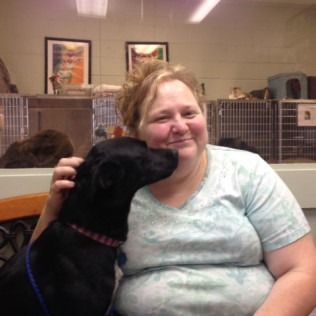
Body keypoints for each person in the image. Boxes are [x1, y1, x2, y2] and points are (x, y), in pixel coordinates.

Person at [32, 60, 316, 316]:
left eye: (189, 113)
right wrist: (53, 209)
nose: (180, 126)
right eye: (162, 117)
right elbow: (47, 274)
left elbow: (303, 270)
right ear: (134, 132)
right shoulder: (113, 186)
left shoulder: (247, 171)